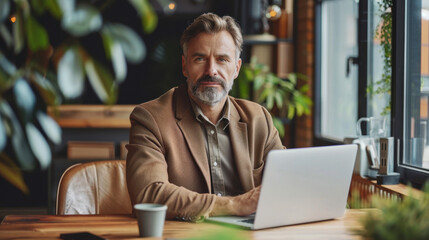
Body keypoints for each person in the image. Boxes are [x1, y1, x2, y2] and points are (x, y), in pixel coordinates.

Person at [126, 12, 285, 222]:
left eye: (222, 59)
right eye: (200, 58)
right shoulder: (150, 119)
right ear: (185, 66)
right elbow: (149, 195)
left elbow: (285, 184)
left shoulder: (259, 119)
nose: (211, 70)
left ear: (236, 68)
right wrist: (234, 204)